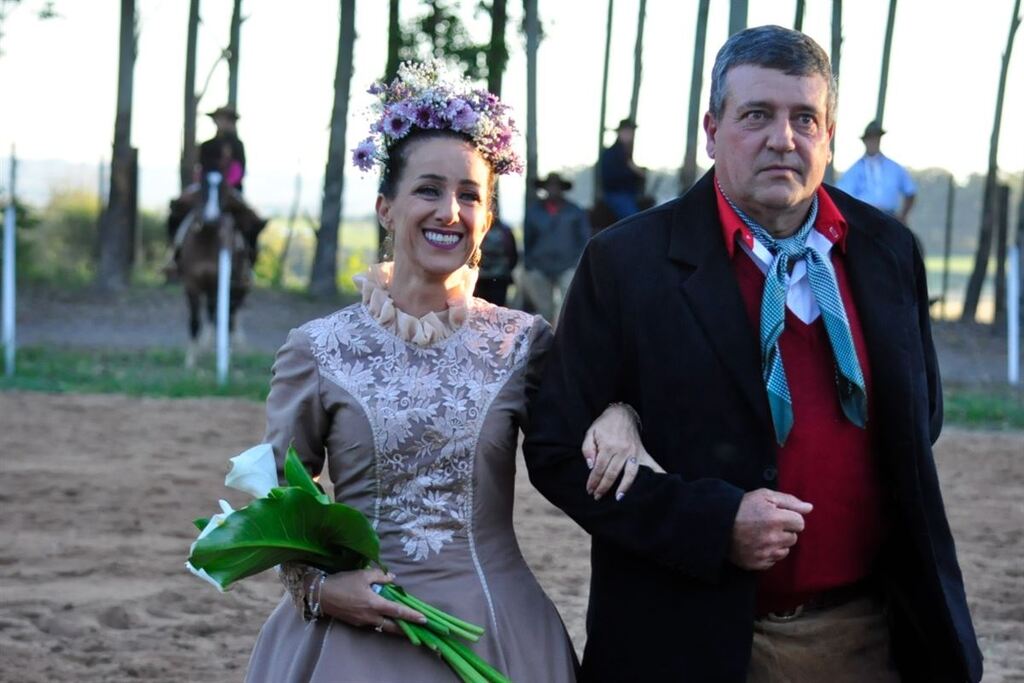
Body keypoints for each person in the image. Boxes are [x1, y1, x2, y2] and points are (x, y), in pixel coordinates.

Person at [524, 25, 982, 683]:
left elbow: (920, 417)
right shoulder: (625, 263)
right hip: (687, 641)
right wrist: (712, 523)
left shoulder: (887, 251)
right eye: (757, 115)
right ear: (711, 130)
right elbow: (556, 450)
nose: (782, 138)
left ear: (828, 132)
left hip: (867, 637)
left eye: (804, 118)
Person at [242, 61, 649, 683]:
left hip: (498, 629)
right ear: (385, 207)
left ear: (487, 217)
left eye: (470, 195)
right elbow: (278, 499)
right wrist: (322, 591)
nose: (449, 211)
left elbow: (596, 404)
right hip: (354, 632)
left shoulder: (525, 343)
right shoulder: (317, 349)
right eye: (428, 190)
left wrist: (622, 412)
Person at [520, 173, 591, 324]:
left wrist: (577, 263)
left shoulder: (575, 211)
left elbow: (584, 239)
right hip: (540, 266)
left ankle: (562, 339)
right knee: (544, 310)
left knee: (566, 307)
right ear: (544, 188)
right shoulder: (534, 212)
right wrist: (530, 264)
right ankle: (547, 342)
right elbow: (528, 240)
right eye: (550, 186)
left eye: (556, 186)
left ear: (562, 189)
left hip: (568, 266)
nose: (553, 190)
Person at [837, 120, 916, 223]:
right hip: (864, 218)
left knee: (910, 238)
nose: (873, 142)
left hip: (890, 218)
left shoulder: (894, 168)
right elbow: (842, 197)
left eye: (876, 138)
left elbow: (910, 191)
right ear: (865, 141)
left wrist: (903, 215)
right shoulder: (853, 171)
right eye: (870, 138)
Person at [598, 118, 645, 221]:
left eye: (630, 132)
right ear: (619, 132)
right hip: (616, 194)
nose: (629, 134)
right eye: (626, 131)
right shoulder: (611, 153)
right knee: (634, 220)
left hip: (629, 194)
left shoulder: (626, 153)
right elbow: (609, 177)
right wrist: (633, 173)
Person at [473, 210, 518, 306]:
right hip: (497, 277)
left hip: (483, 277)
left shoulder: (477, 230)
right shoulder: (505, 230)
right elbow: (513, 255)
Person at [199, 105, 247, 192]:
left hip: (232, 188)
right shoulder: (206, 145)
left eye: (226, 119)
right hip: (207, 186)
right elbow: (203, 166)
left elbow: (240, 169)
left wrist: (228, 182)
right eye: (219, 119)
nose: (222, 122)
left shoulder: (237, 144)